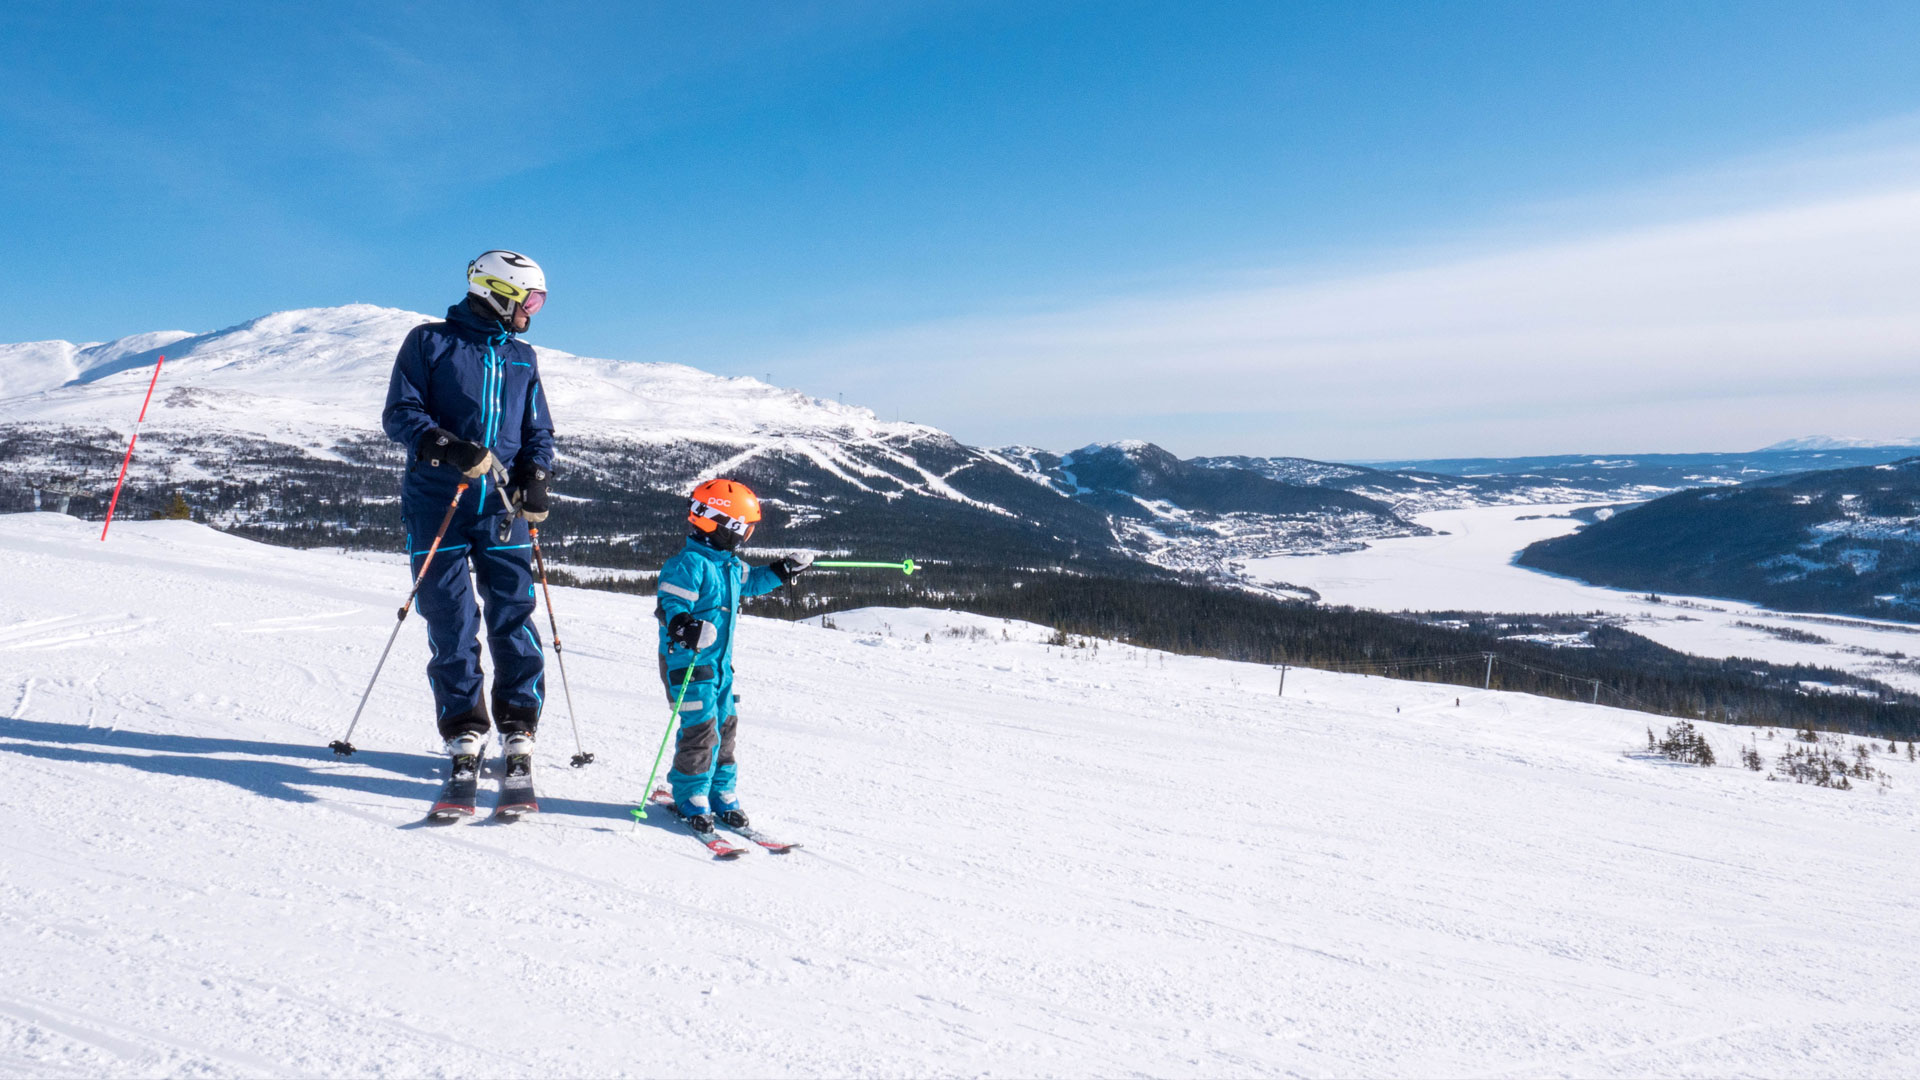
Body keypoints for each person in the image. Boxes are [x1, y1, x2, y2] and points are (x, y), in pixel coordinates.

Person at [380, 250, 556, 799]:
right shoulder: (429, 342)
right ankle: (463, 731)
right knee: (451, 620)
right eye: (529, 299)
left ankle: (519, 724)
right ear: (497, 293)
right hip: (440, 505)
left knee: (514, 615)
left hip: (504, 510)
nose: (534, 310)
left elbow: (538, 431)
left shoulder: (523, 357)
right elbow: (401, 414)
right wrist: (448, 448)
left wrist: (536, 475)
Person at [655, 478, 812, 830]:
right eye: (742, 529)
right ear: (719, 525)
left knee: (726, 726)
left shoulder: (728, 564)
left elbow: (752, 582)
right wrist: (686, 627)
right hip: (689, 663)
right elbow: (671, 605)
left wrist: (783, 569)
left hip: (720, 666)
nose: (745, 538)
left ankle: (720, 792)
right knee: (701, 728)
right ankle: (691, 794)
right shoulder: (689, 564)